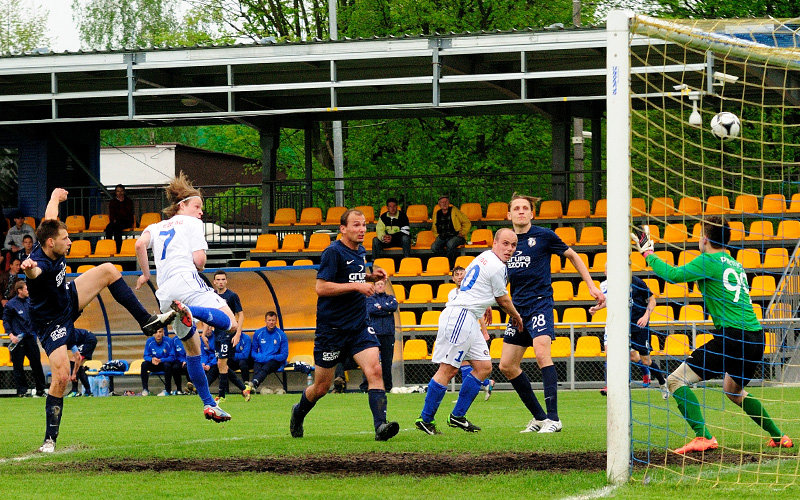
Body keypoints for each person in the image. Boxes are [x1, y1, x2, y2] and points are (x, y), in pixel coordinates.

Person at [21, 188, 175, 453]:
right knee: (60, 379)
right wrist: (28, 269)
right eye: (66, 239)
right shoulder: (40, 262)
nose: (69, 242)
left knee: (108, 270)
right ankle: (50, 440)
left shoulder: (48, 237)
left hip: (68, 300)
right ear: (50, 244)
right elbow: (35, 272)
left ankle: (145, 321)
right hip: (51, 324)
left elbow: (49, 216)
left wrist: (56, 198)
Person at [633, 217, 793, 453]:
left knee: (676, 380)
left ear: (705, 239)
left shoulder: (708, 260)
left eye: (700, 235)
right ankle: (779, 436)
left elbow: (673, 275)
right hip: (756, 338)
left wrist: (648, 254)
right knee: (732, 390)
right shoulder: (733, 262)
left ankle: (703, 437)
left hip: (734, 337)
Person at [289, 209, 400, 441]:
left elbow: (353, 277)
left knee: (375, 371)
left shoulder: (360, 251)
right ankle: (298, 412)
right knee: (321, 387)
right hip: (332, 330)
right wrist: (358, 287)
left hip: (359, 325)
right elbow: (321, 288)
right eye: (356, 225)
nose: (362, 230)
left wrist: (372, 277)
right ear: (343, 229)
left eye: (364, 225)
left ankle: (381, 427)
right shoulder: (333, 252)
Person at [135, 172, 237, 423]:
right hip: (187, 283)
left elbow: (139, 245)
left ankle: (209, 405)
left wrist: (145, 275)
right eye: (197, 206)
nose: (201, 212)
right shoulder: (191, 224)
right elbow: (200, 261)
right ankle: (192, 312)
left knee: (193, 350)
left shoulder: (156, 226)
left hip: (165, 293)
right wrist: (196, 264)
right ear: (182, 205)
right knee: (231, 322)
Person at [500, 193, 605, 434]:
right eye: (516, 208)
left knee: (541, 352)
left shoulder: (544, 236)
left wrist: (590, 285)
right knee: (506, 365)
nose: (521, 211)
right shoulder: (506, 242)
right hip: (516, 309)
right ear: (509, 215)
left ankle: (554, 419)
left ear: (532, 213)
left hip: (540, 303)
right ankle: (539, 418)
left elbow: (573, 256)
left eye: (525, 208)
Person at [416, 228, 523, 435]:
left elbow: (475, 284)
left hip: (470, 317)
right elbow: (503, 299)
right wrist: (516, 317)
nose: (510, 249)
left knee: (483, 367)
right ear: (495, 243)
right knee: (448, 370)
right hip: (460, 316)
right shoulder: (497, 266)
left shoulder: (484, 257)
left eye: (513, 245)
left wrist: (485, 304)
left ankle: (457, 416)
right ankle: (425, 418)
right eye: (506, 244)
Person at [591, 264, 667, 398]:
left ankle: (662, 382)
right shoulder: (612, 284)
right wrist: (596, 308)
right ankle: (614, 387)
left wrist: (645, 316)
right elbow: (609, 301)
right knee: (614, 356)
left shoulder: (636, 282)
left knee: (646, 360)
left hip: (639, 325)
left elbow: (652, 301)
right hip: (620, 326)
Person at [448, 265, 495, 401]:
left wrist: (484, 331)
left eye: (462, 274)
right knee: (466, 363)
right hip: (460, 330)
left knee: (465, 362)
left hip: (471, 330)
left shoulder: (472, 292)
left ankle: (466, 395)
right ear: (453, 278)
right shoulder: (452, 294)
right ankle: (486, 383)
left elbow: (478, 312)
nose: (459, 277)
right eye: (456, 274)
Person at [207, 270, 250, 402]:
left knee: (221, 362)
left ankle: (221, 396)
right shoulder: (212, 295)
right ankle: (243, 389)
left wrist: (238, 333)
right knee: (222, 365)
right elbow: (208, 313)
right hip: (217, 335)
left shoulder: (232, 296)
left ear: (226, 281)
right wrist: (205, 332)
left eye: (223, 279)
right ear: (214, 282)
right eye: (218, 280)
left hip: (228, 334)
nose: (220, 282)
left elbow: (241, 315)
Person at [3, 281, 46, 397]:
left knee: (36, 363)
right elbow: (6, 321)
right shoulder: (11, 305)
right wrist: (11, 335)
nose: (28, 291)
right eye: (26, 289)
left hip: (30, 337)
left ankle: (41, 390)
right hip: (18, 339)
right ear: (19, 291)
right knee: (18, 366)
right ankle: (22, 391)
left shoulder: (30, 302)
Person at [360, 278, 398, 392]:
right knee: (370, 362)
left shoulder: (391, 298)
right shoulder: (369, 299)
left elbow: (394, 307)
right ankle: (366, 386)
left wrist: (381, 307)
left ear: (385, 285)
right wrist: (386, 309)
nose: (380, 286)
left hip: (388, 334)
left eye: (382, 284)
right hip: (374, 334)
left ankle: (387, 387)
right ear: (374, 286)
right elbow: (371, 310)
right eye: (378, 284)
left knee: (387, 362)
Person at [248, 311, 288, 391]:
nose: (271, 322)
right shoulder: (258, 333)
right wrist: (260, 357)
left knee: (267, 366)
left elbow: (284, 354)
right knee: (257, 366)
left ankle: (253, 384)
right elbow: (253, 352)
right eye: (269, 320)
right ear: (265, 321)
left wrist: (271, 357)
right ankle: (253, 387)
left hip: (275, 360)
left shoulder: (281, 335)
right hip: (261, 359)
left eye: (273, 320)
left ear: (276, 321)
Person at [430, 195, 471, 265]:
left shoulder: (455, 211)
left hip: (456, 236)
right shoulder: (437, 214)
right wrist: (437, 236)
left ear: (448, 203)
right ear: (439, 204)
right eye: (442, 202)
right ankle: (445, 260)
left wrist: (462, 233)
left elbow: (467, 222)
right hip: (443, 236)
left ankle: (449, 264)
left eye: (446, 201)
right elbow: (434, 227)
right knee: (434, 247)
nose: (444, 204)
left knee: (450, 244)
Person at [141, 327, 176, 396]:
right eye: (156, 332)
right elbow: (145, 355)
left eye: (160, 332)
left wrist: (161, 360)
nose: (158, 334)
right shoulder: (149, 341)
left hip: (164, 364)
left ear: (163, 333)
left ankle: (167, 390)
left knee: (167, 365)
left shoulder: (169, 341)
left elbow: (172, 357)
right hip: (154, 363)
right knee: (144, 364)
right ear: (153, 334)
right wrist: (152, 359)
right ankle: (145, 389)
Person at [65, 328, 97, 397]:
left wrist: (73, 374)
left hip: (89, 340)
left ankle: (74, 391)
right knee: (79, 367)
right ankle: (88, 392)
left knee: (74, 361)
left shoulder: (69, 337)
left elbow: (77, 357)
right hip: (87, 339)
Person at [105, 184, 135, 253]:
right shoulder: (113, 202)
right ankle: (109, 247)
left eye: (121, 191)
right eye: (118, 191)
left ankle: (118, 249)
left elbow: (129, 213)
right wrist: (113, 220)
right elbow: (112, 214)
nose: (120, 193)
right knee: (108, 228)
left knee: (117, 228)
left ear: (124, 192)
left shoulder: (128, 201)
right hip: (117, 221)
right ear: (116, 192)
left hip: (126, 221)